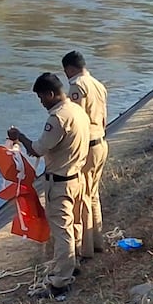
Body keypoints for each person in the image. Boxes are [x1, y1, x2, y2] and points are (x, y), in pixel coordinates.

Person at [8, 73, 90, 301]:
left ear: (50, 94)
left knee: (62, 231)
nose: (41, 102)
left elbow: (37, 149)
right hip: (76, 177)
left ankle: (61, 282)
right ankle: (70, 266)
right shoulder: (77, 110)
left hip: (60, 183)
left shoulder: (58, 118)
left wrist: (19, 136)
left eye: (41, 97)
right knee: (73, 225)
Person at [62, 50, 109, 259]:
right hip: (101, 142)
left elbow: (76, 121)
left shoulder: (77, 86)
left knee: (83, 197)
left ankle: (86, 249)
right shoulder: (98, 85)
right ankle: (97, 241)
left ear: (69, 68)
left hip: (87, 146)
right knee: (94, 194)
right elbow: (105, 118)